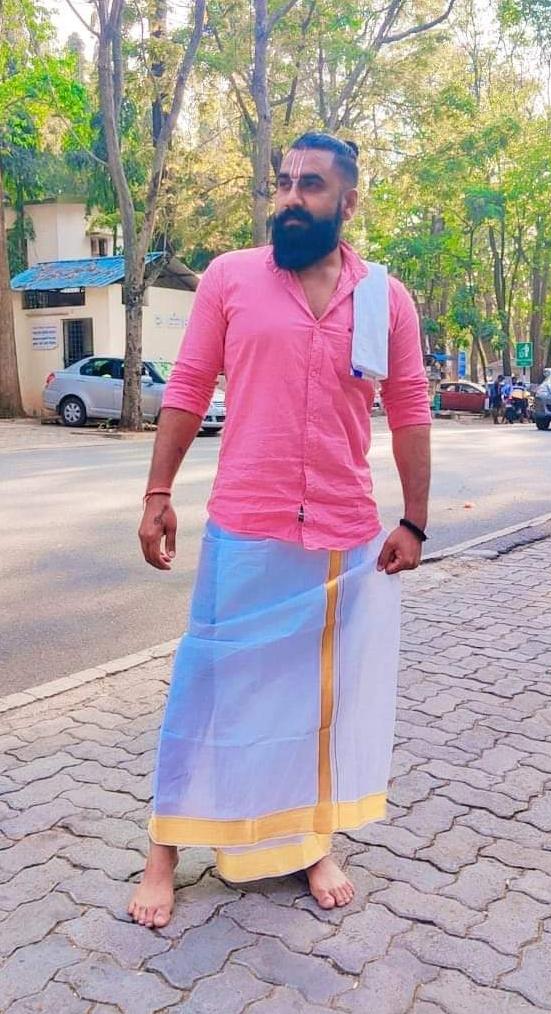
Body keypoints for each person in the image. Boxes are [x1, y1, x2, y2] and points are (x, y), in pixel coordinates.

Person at [128, 132, 432, 929]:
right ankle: (164, 850)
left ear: (348, 201)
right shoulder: (230, 277)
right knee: (208, 688)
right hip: (246, 526)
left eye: (312, 185)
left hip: (340, 536)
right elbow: (189, 385)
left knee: (311, 706)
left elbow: (409, 409)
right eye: (286, 182)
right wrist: (158, 492)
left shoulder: (384, 300)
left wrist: (414, 520)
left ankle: (308, 842)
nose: (292, 197)